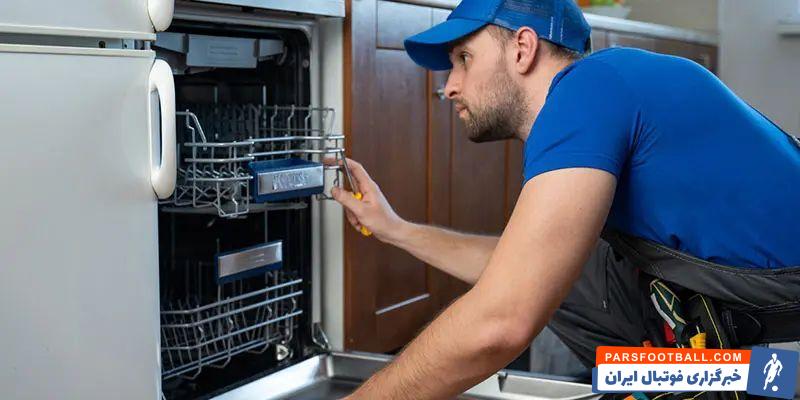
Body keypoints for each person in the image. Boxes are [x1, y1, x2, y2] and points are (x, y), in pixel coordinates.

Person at [330, 0, 800, 398]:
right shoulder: (608, 85)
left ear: (522, 48)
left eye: (464, 59)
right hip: (757, 310)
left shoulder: (588, 91)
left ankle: (747, 380)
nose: (449, 85)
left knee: (551, 304)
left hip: (786, 341)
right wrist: (395, 229)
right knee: (572, 283)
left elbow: (501, 321)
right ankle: (680, 379)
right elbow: (519, 272)